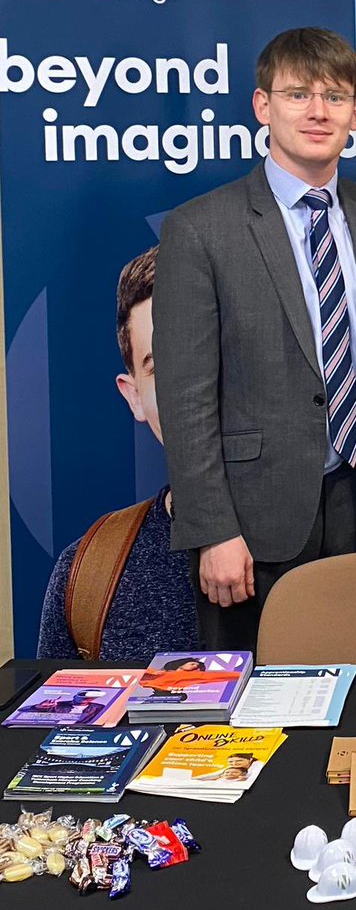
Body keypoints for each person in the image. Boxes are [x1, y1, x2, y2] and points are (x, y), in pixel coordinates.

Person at [155, 27, 356, 650]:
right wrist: (212, 530)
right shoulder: (200, 229)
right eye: (298, 93)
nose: (317, 111)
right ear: (262, 106)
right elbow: (187, 400)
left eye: (335, 96)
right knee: (254, 714)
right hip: (252, 521)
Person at [37, 246, 200, 661]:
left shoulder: (352, 548)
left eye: (212, 353)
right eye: (161, 366)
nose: (196, 388)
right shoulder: (88, 574)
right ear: (135, 398)